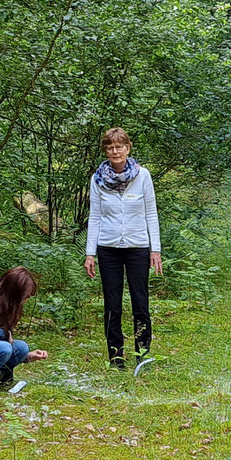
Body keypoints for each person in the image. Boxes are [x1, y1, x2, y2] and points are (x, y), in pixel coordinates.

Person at [81, 127, 162, 369]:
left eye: (120, 147)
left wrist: (155, 250)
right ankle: (116, 358)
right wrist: (90, 253)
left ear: (128, 148)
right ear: (105, 150)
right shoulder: (98, 179)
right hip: (108, 248)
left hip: (138, 247)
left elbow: (151, 214)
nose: (115, 152)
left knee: (140, 303)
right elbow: (94, 217)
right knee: (112, 305)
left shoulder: (143, 176)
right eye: (110, 147)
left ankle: (142, 355)